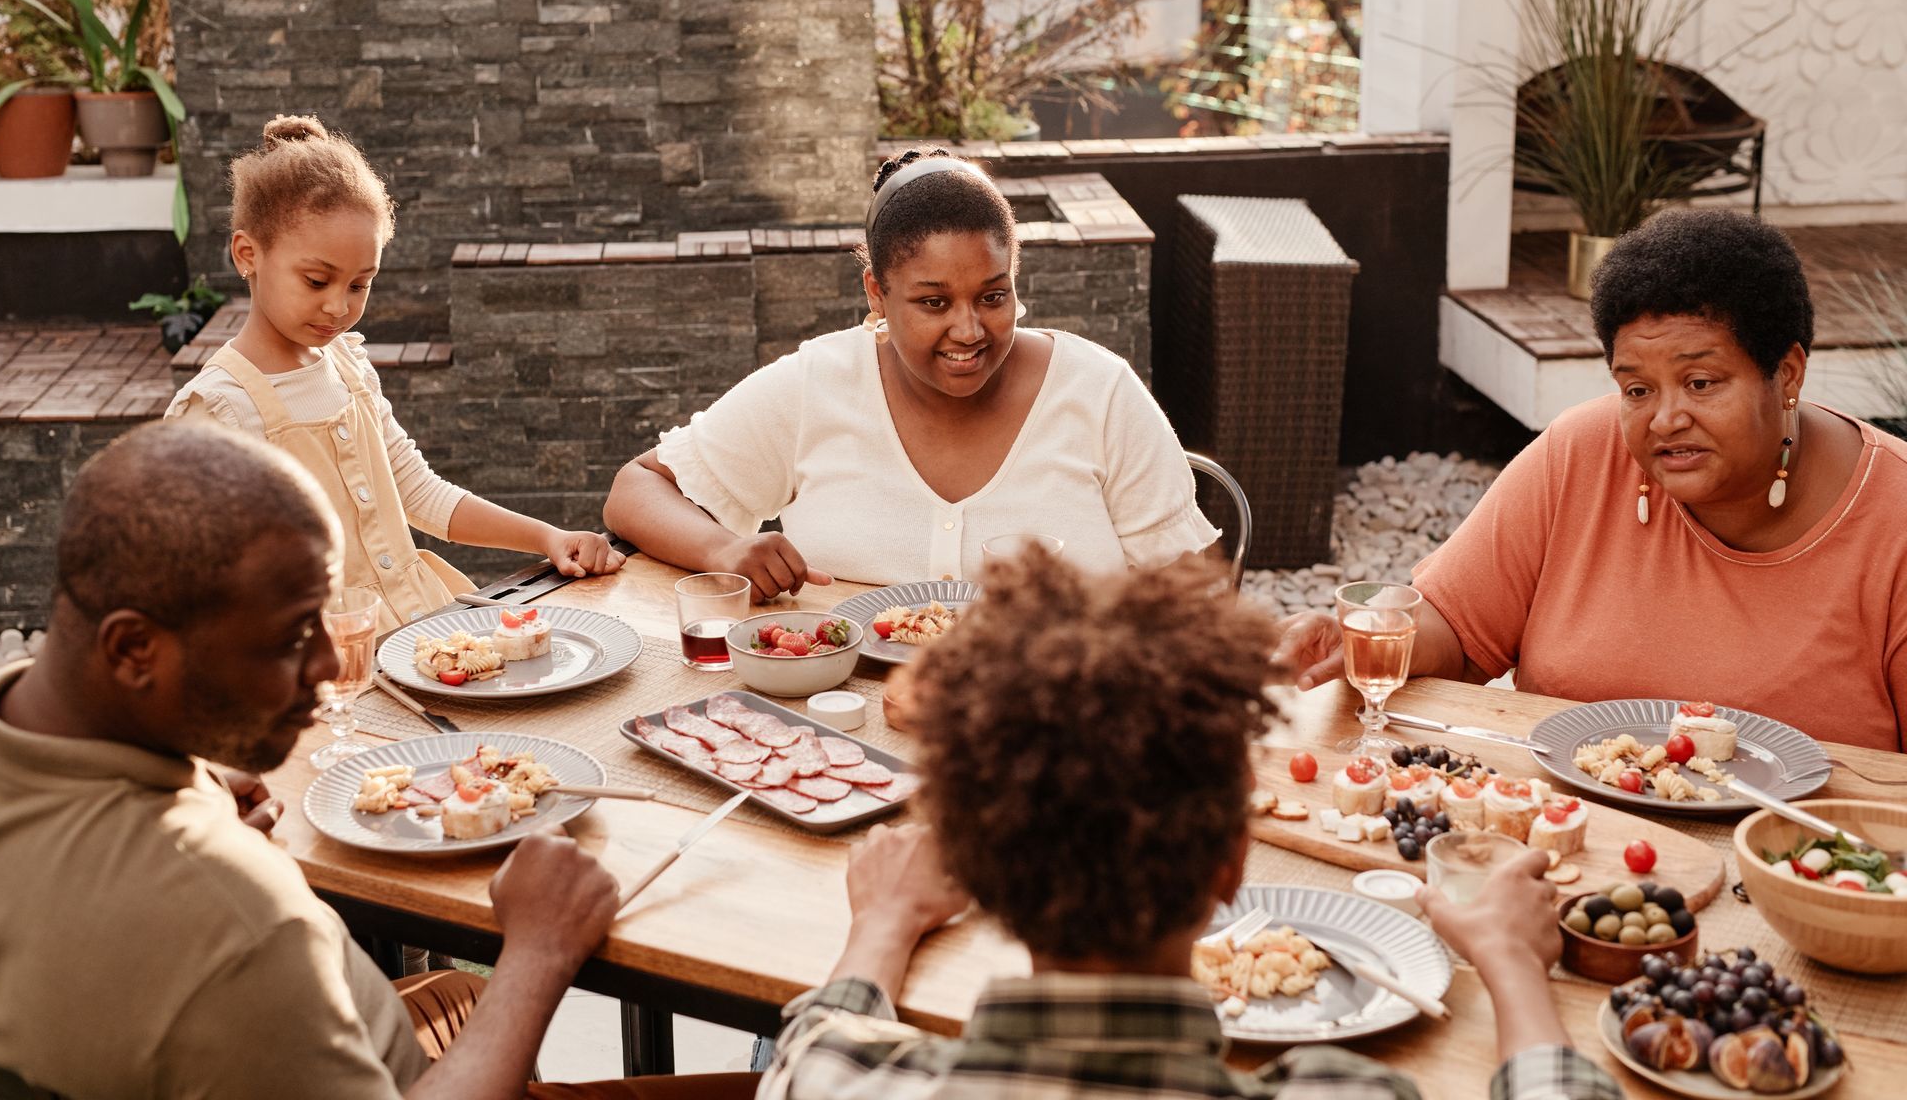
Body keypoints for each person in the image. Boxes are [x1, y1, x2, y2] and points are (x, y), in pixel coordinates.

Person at [0, 420, 749, 1099]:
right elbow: (214, 951)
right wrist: (538, 953)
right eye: (290, 639)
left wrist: (196, 790)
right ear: (132, 649)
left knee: (453, 991)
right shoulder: (233, 932)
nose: (328, 664)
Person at [757, 549, 1622, 1100]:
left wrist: (882, 924)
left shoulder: (850, 1084)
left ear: (975, 873)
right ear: (1231, 860)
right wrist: (1511, 963)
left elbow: (814, 1043)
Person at [1278, 209, 1907, 751]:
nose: (1665, 419)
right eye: (1637, 388)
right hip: (1567, 838)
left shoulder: (1893, 517)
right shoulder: (1583, 451)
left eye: (1701, 383)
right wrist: (1373, 634)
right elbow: (1457, 626)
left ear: (1788, 373)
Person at [605, 147, 1217, 599]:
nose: (969, 330)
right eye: (933, 303)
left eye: (992, 296)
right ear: (877, 292)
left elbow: (1202, 596)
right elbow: (636, 490)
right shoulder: (818, 384)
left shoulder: (1098, 391)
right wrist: (725, 547)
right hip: (836, 722)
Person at [168, 114, 622, 626]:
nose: (339, 307)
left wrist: (547, 537)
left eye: (360, 284)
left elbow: (418, 492)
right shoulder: (218, 410)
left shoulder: (348, 365)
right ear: (248, 254)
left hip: (418, 632)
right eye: (317, 281)